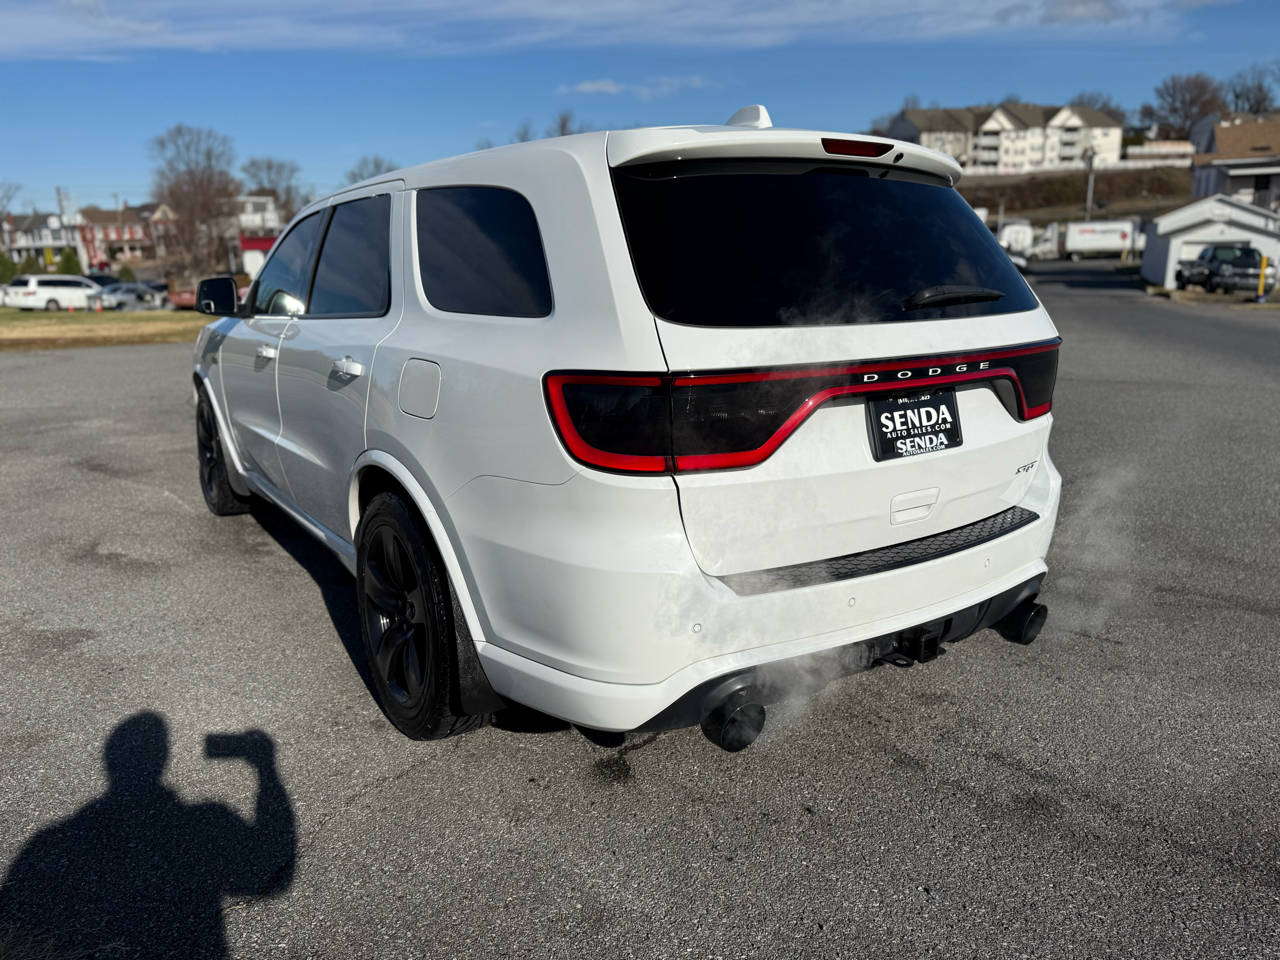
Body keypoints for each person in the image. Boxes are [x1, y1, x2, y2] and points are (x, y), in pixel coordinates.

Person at [0, 712, 295, 959]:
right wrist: (266, 769)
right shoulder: (206, 818)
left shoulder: (49, 841)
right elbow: (265, 872)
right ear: (163, 756)